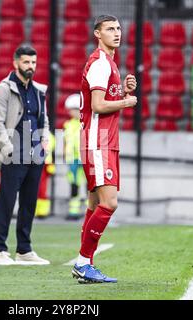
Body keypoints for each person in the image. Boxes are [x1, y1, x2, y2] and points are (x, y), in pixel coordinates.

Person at [71, 15, 137, 284]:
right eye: (110, 29)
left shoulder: (109, 63)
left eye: (119, 28)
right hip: (98, 142)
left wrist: (121, 92)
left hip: (102, 140)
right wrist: (126, 102)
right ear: (97, 33)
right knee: (109, 203)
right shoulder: (100, 62)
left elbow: (100, 101)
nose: (117, 33)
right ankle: (84, 262)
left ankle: (86, 262)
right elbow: (97, 105)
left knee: (95, 203)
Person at [0, 44, 50, 266]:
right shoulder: (4, 88)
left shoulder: (39, 90)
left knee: (29, 203)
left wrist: (45, 140)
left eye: (33, 62)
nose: (30, 66)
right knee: (6, 202)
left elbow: (44, 119)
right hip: (13, 153)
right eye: (26, 62)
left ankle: (24, 250)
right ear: (16, 63)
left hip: (35, 154)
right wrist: (7, 148)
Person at [62, 94, 87, 221]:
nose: (72, 112)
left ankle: (91, 210)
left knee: (89, 186)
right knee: (74, 185)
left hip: (87, 159)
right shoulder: (68, 125)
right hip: (73, 160)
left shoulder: (88, 123)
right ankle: (74, 210)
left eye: (75, 109)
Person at [35, 131, 55, 219]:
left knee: (42, 189)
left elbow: (52, 151)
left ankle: (42, 211)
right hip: (36, 162)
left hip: (45, 164)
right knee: (36, 188)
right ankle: (37, 211)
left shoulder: (48, 135)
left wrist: (51, 164)